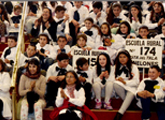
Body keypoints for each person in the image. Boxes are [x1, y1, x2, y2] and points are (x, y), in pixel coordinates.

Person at [112, 49, 140, 120]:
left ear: (128, 57)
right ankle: (129, 103)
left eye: (124, 57)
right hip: (120, 87)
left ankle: (119, 114)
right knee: (115, 84)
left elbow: (136, 82)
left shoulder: (134, 67)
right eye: (120, 57)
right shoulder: (115, 67)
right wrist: (119, 80)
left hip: (131, 86)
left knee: (131, 93)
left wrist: (125, 82)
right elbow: (112, 79)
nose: (122, 59)